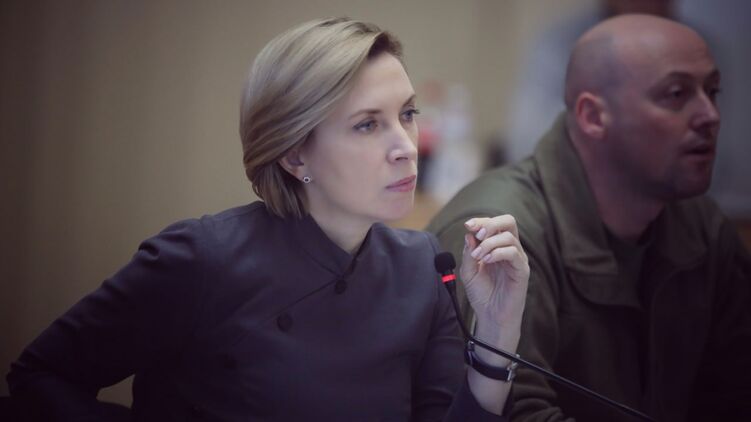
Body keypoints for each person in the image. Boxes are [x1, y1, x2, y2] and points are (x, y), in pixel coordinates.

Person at [6, 18, 529, 421]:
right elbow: (41, 377)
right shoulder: (201, 259)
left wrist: (498, 329)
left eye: (408, 114)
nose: (406, 148)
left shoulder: (422, 267)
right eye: (368, 125)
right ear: (294, 154)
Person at [428, 14, 751, 422]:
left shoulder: (704, 228)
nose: (710, 115)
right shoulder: (498, 235)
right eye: (676, 94)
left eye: (712, 91)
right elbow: (513, 415)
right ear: (593, 116)